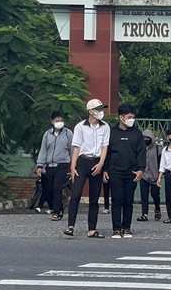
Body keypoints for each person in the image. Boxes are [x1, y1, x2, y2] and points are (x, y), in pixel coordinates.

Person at [64, 98, 110, 238]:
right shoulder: (80, 127)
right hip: (83, 162)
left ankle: (92, 229)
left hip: (97, 161)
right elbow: (76, 147)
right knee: (76, 194)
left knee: (94, 197)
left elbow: (104, 147)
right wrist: (73, 166)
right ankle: (70, 226)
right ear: (90, 111)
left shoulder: (105, 126)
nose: (101, 112)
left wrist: (101, 163)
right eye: (98, 109)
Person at [103, 103, 145, 239]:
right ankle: (116, 229)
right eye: (129, 117)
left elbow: (141, 153)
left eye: (133, 117)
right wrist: (105, 170)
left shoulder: (137, 134)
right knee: (116, 200)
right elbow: (107, 153)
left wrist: (141, 170)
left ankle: (126, 228)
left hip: (131, 172)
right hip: (115, 172)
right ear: (121, 117)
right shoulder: (112, 132)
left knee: (128, 201)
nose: (132, 119)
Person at [34, 111, 73, 220]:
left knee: (57, 187)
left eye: (61, 120)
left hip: (62, 164)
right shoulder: (47, 134)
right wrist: (40, 165)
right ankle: (57, 207)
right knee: (48, 188)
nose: (59, 123)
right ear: (52, 122)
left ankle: (56, 212)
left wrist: (73, 165)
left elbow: (72, 149)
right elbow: (43, 150)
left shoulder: (68, 133)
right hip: (49, 165)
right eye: (57, 121)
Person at [137, 129, 162, 222]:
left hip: (155, 176)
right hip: (143, 175)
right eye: (144, 138)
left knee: (155, 195)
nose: (146, 139)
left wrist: (160, 175)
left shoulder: (157, 149)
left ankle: (157, 208)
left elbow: (161, 163)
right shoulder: (140, 149)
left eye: (148, 138)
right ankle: (144, 214)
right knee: (144, 195)